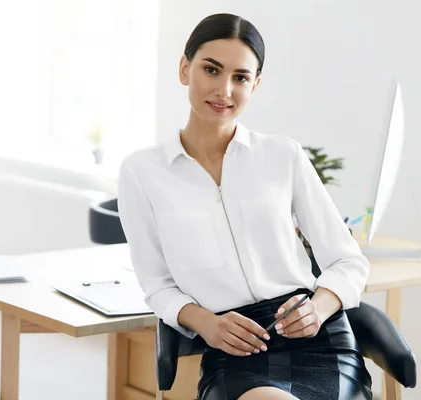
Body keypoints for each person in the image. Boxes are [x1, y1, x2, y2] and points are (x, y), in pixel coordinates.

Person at [118, 13, 372, 400]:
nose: (224, 90)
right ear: (185, 69)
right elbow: (157, 286)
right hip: (233, 347)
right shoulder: (142, 172)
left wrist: (318, 309)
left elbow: (348, 262)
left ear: (255, 84)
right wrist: (205, 323)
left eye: (239, 77)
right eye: (211, 69)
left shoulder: (282, 155)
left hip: (316, 339)